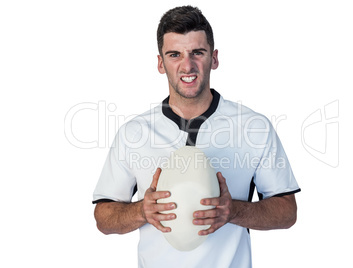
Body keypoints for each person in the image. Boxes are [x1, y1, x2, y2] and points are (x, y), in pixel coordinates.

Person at [93, 5, 300, 268]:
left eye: (197, 53)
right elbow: (103, 217)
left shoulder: (254, 127)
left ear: (214, 58)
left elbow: (287, 212)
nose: (187, 65)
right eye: (174, 54)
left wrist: (233, 211)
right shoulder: (134, 132)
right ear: (160, 63)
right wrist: (140, 211)